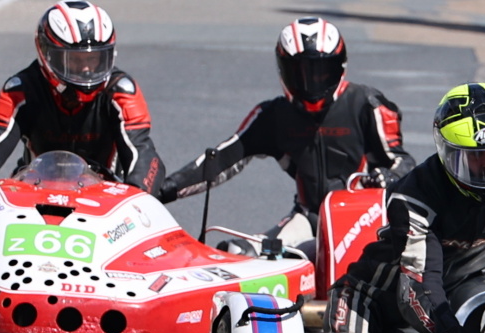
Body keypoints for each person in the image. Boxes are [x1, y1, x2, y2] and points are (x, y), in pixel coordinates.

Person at [310, 82, 485, 333]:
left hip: (445, 306)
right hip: (371, 301)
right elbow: (417, 284)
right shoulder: (414, 195)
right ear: (448, 154)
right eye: (477, 157)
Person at [155, 17, 412, 253]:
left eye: (321, 71)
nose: (311, 82)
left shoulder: (368, 105)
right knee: (237, 251)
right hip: (308, 219)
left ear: (340, 66)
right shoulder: (274, 115)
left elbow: (403, 163)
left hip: (363, 218)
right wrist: (163, 189)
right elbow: (222, 158)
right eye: (300, 72)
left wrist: (389, 176)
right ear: (283, 70)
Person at [0, 0, 163, 199]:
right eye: (74, 60)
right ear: (47, 55)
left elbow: (142, 151)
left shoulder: (122, 91)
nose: (86, 69)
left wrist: (139, 197)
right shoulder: (20, 89)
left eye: (93, 59)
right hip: (33, 192)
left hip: (104, 198)